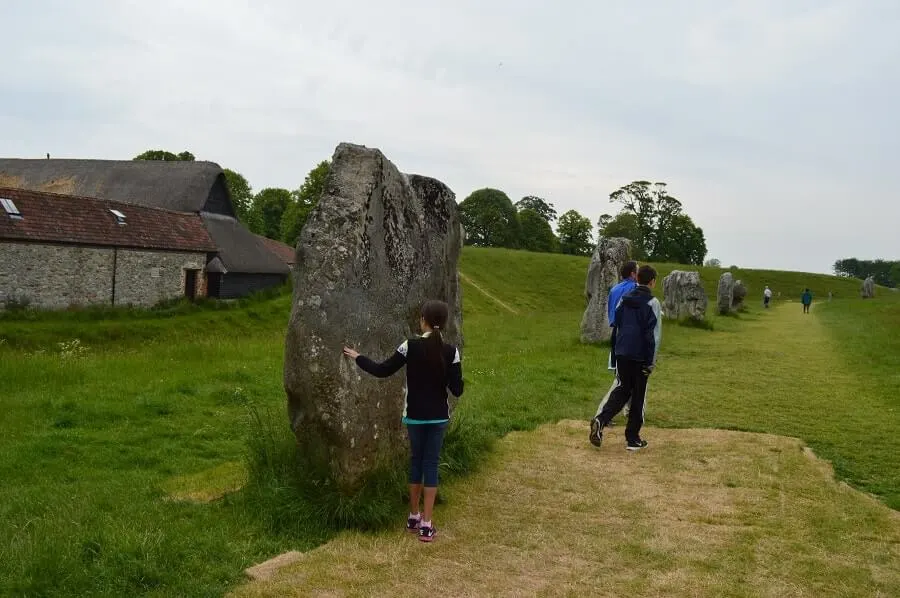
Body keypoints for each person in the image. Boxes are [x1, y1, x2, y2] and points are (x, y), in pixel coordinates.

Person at [343, 300, 463, 543]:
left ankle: (413, 516)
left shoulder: (410, 346)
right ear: (445, 323)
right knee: (431, 464)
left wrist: (358, 357)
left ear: (423, 320)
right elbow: (457, 390)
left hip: (415, 417)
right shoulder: (451, 352)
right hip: (438, 416)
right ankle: (427, 525)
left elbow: (382, 370)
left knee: (416, 462)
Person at [589, 265, 661, 451]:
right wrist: (650, 362)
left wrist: (616, 350)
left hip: (622, 351)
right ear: (652, 281)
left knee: (622, 389)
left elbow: (617, 324)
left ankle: (601, 419)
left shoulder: (624, 300)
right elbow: (653, 335)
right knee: (638, 394)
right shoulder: (652, 303)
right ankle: (632, 438)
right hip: (640, 355)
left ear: (637, 279)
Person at [591, 260, 638, 432]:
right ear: (633, 273)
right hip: (629, 334)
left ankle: (631, 410)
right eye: (637, 271)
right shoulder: (634, 289)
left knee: (627, 377)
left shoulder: (614, 289)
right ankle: (602, 414)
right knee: (623, 380)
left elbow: (612, 314)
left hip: (616, 332)